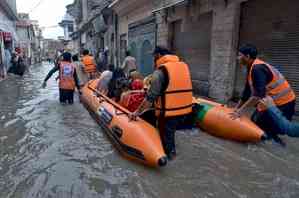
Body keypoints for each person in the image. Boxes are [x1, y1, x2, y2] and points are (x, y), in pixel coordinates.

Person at [129, 46, 193, 160]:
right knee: (171, 132)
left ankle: (168, 158)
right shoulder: (183, 66)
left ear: (158, 56)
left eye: (153, 56)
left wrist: (136, 113)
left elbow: (150, 98)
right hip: (185, 111)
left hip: (169, 112)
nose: (153, 60)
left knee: (166, 136)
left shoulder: (160, 72)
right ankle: (171, 152)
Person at [230, 44, 296, 142]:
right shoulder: (251, 67)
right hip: (271, 101)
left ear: (247, 57)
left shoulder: (257, 69)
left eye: (240, 55)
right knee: (255, 121)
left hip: (284, 103)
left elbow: (257, 96)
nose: (237, 58)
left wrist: (240, 112)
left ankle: (275, 147)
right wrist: (236, 108)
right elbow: (247, 92)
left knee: (267, 130)